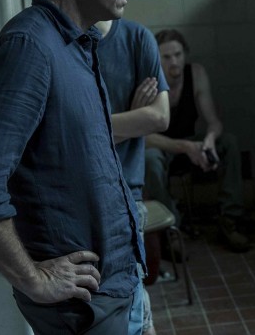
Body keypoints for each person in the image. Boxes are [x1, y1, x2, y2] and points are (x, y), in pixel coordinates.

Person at [0, 0, 149, 333]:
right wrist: (34, 279)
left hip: (118, 289)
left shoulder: (77, 43)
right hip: (85, 308)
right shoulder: (29, 46)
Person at [144, 29, 250, 252]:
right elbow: (144, 137)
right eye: (167, 57)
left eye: (178, 55)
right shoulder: (149, 81)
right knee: (150, 160)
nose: (174, 62)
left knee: (228, 142)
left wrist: (209, 140)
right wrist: (185, 147)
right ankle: (171, 228)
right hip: (163, 146)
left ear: (185, 54)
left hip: (191, 141)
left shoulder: (196, 74)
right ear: (156, 58)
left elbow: (214, 122)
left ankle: (229, 219)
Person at [96, 18, 170, 335]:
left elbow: (159, 117)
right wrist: (131, 119)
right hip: (78, 195)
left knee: (132, 301)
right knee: (111, 307)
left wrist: (91, 130)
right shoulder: (62, 40)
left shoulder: (137, 38)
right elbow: (60, 133)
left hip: (126, 193)